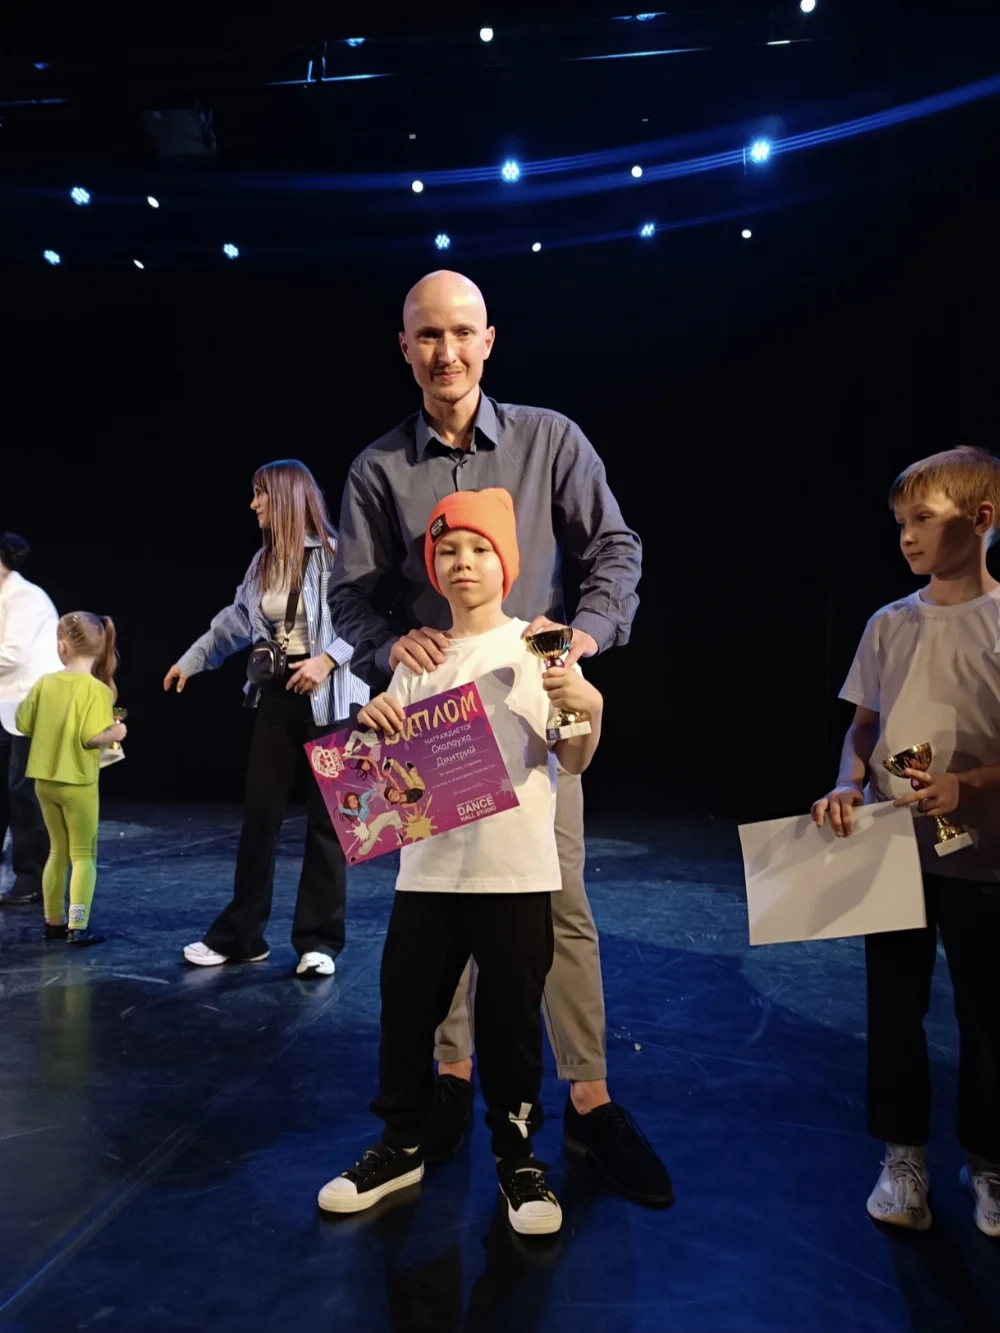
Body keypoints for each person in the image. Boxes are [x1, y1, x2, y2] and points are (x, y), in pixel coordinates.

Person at [330, 269, 672, 1206]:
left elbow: (615, 547)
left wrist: (581, 642)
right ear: (405, 348)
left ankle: (590, 1100)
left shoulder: (549, 438)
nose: (445, 351)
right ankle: (449, 1089)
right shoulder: (376, 468)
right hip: (433, 722)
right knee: (439, 912)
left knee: (557, 906)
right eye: (426, 335)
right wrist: (387, 646)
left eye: (461, 332)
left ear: (488, 340)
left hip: (531, 720)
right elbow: (351, 594)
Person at [318, 487, 605, 1235]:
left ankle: (518, 1157)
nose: (463, 562)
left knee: (511, 1026)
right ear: (432, 565)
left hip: (515, 875)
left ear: (508, 563)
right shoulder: (419, 657)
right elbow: (382, 780)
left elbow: (574, 756)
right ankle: (400, 1144)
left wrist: (587, 703)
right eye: (448, 550)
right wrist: (371, 726)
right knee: (406, 1014)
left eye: (480, 548)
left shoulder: (535, 647)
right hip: (428, 874)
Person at [812, 446, 1000, 1238]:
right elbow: (863, 729)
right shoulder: (888, 623)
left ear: (982, 519)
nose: (908, 536)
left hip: (986, 859)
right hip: (894, 851)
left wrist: (968, 784)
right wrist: (847, 783)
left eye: (924, 518)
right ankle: (903, 1158)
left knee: (988, 1014)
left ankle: (989, 1161)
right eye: (900, 523)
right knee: (894, 1008)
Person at [165, 459, 368, 978]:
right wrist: (192, 660)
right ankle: (242, 937)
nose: (253, 504)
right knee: (260, 816)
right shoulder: (264, 562)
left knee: (329, 821)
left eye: (261, 494)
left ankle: (319, 943)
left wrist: (327, 661)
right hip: (277, 695)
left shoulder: (337, 554)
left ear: (286, 497)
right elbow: (235, 621)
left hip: (332, 697)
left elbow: (367, 619)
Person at [15, 612, 125, 947]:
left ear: (62, 646)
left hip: (44, 781)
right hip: (78, 782)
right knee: (83, 855)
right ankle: (78, 925)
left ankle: (53, 922)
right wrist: (116, 733)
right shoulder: (97, 691)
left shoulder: (45, 683)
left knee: (57, 851)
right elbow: (92, 737)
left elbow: (22, 723)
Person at [0, 533, 61, 907]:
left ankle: (32, 878)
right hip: (6, 703)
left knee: (24, 793)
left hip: (30, 704)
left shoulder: (25, 597)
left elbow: (13, 655)